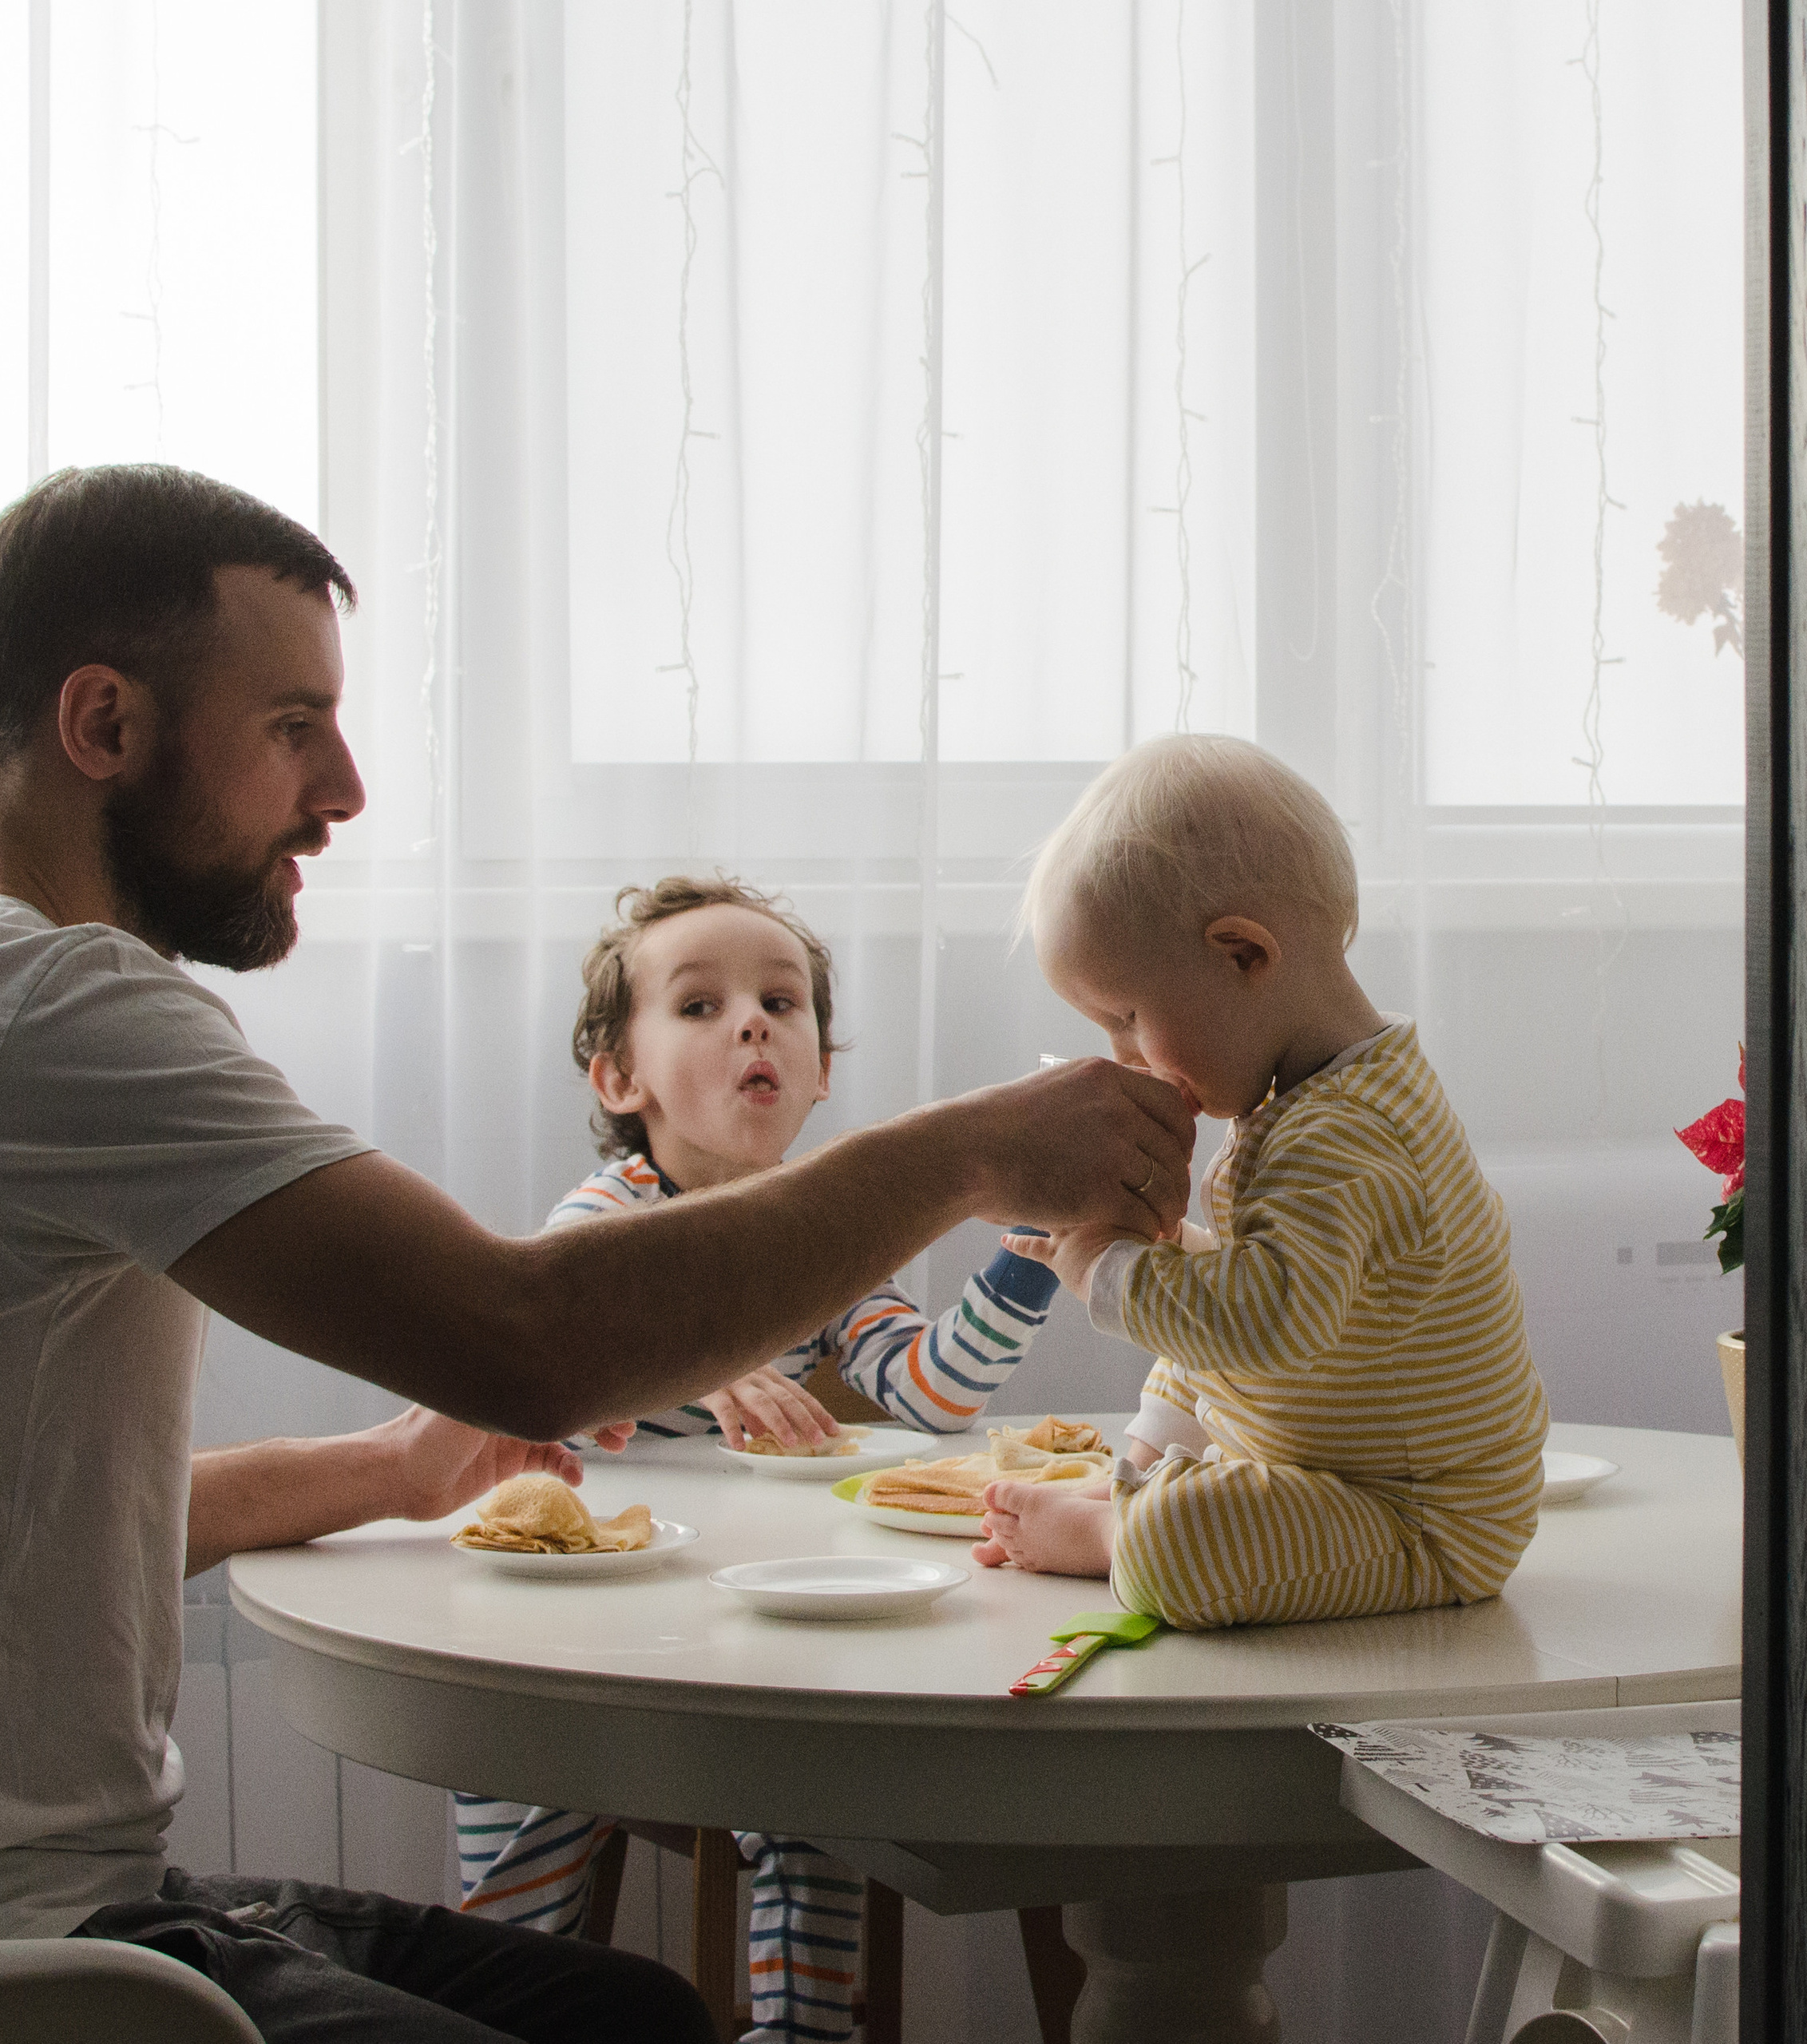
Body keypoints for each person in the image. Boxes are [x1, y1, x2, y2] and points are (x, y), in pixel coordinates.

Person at [0, 464, 1194, 2042]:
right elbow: (532, 1332)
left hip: (102, 1895)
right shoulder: (66, 1006)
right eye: (295, 723)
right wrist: (971, 1146)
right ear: (104, 725)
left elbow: (67, 1524)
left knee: (631, 2011)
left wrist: (392, 1467)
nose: (346, 786)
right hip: (56, 1938)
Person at [455, 873, 1060, 2044]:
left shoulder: (829, 1234)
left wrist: (1028, 1256)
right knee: (516, 1802)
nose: (753, 1023)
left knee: (814, 1797)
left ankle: (801, 2031)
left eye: (783, 1003)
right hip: (583, 1626)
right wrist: (688, 1352)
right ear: (620, 1080)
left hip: (753, 1617)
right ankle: (488, 2009)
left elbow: (931, 1394)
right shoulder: (608, 1217)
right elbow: (559, 1355)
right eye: (699, 1006)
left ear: (821, 1070)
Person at [973, 734, 1550, 1631]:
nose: (1122, 1055)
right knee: (1192, 1282)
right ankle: (1137, 1470)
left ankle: (1120, 1532)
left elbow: (1270, 1324)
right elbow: (1268, 1302)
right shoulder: (1327, 1093)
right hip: (1326, 1464)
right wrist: (1162, 1252)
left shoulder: (1346, 1133)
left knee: (1176, 1536)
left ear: (1242, 956)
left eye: (1128, 1018)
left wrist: (1101, 1265)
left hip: (1415, 1518)